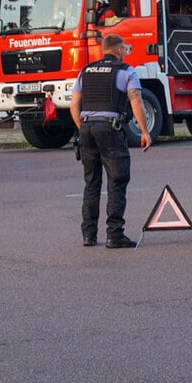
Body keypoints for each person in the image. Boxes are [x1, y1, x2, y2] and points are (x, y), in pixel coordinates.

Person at [69, 34, 151, 249]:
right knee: (117, 180)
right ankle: (115, 235)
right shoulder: (126, 71)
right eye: (124, 49)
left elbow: (73, 105)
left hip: (86, 128)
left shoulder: (85, 71)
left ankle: (89, 235)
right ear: (118, 50)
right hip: (109, 129)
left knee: (91, 182)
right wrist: (144, 131)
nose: (125, 53)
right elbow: (136, 102)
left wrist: (83, 128)